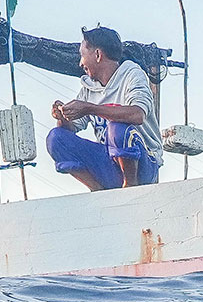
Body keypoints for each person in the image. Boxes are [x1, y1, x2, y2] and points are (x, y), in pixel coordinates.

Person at [46, 26, 161, 190]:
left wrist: (90, 108)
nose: (80, 63)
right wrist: (62, 117)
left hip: (143, 165)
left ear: (98, 55)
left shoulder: (131, 74)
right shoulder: (88, 87)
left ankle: (130, 186)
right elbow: (70, 130)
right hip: (109, 164)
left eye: (82, 55)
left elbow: (137, 115)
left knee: (117, 128)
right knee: (56, 138)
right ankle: (97, 189)